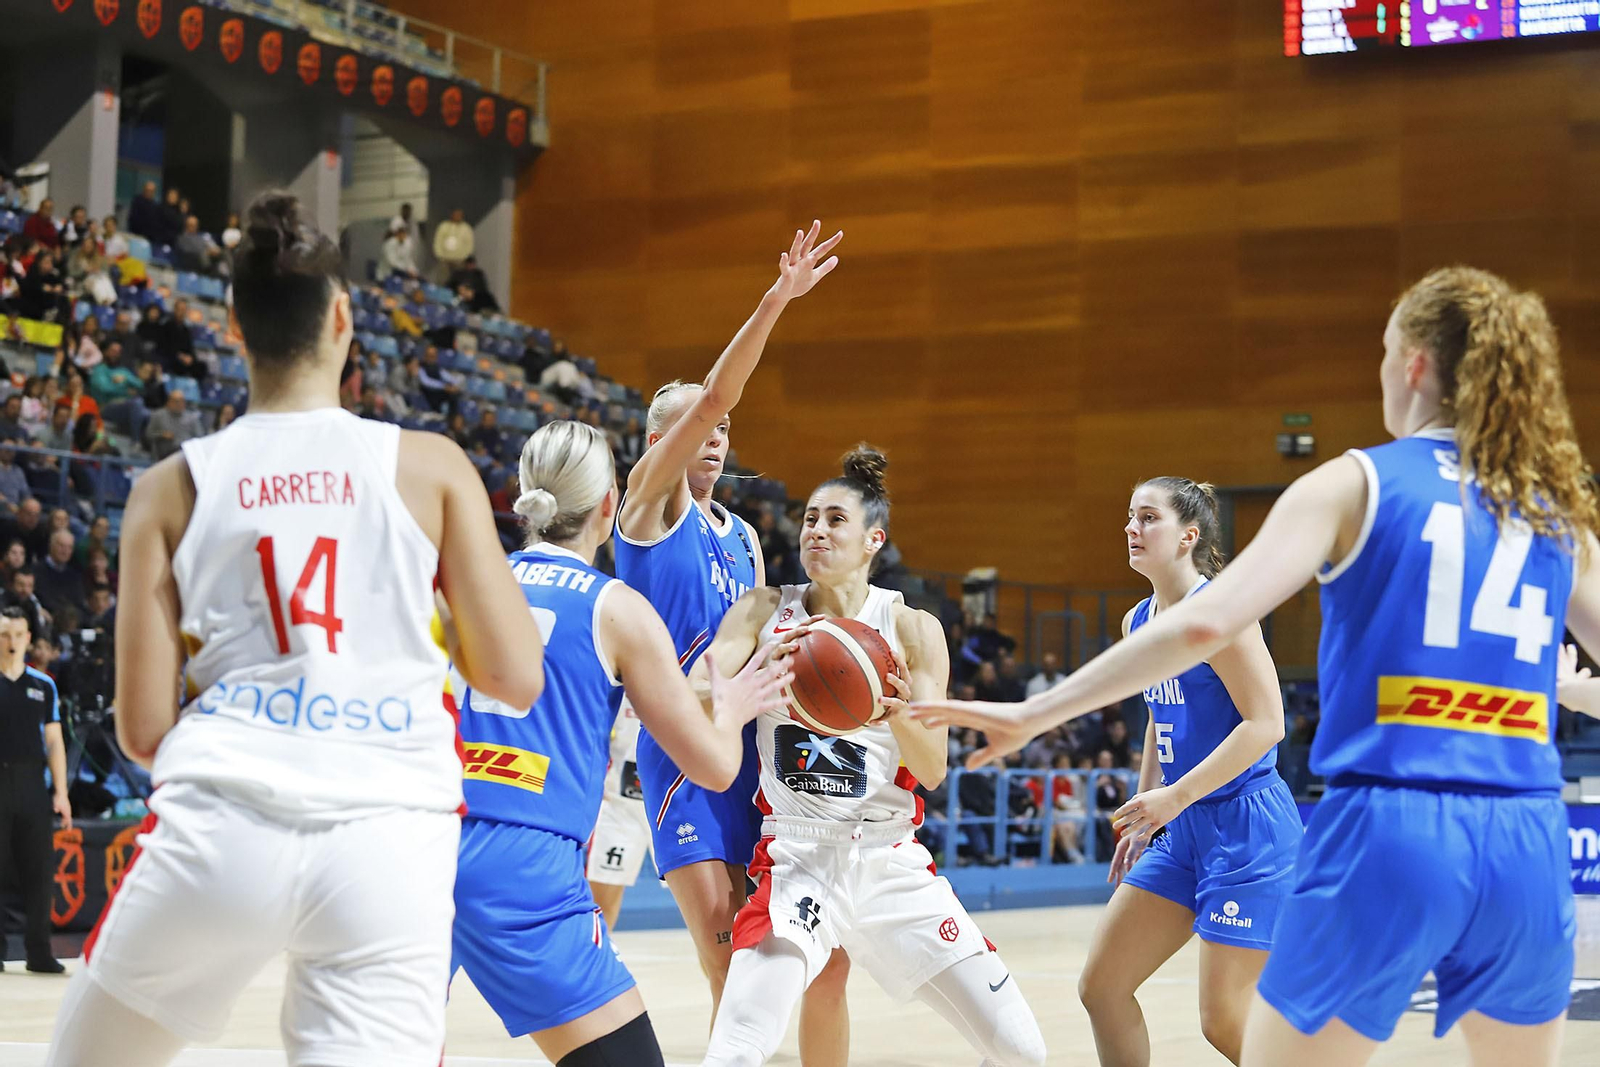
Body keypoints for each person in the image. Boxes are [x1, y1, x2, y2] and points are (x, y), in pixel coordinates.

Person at [912, 266, 1600, 1067]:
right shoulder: (1551, 509)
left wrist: (1035, 713)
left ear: (1413, 363)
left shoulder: (1357, 481)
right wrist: (1569, 689)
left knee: (1245, 1033)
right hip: (1526, 834)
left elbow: (1207, 622)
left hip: (1393, 822)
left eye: (1383, 352)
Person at [42, 189, 548, 1067]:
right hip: (390, 832)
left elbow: (144, 730)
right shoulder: (431, 467)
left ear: (234, 326)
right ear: (344, 318)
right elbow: (515, 676)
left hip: (223, 823)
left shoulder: (168, 486)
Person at [450, 420, 791, 1066]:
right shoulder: (617, 606)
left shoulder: (463, 581)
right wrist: (736, 705)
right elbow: (717, 767)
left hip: (421, 841)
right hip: (526, 860)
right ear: (609, 504)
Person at [692, 446, 1046, 1067]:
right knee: (737, 1051)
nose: (816, 531)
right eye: (809, 518)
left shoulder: (911, 627)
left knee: (1023, 1052)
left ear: (873, 540)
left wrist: (896, 712)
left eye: (835, 520)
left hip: (890, 859)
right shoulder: (764, 611)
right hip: (797, 857)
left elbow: (932, 769)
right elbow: (693, 697)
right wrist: (755, 676)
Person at [612, 221, 848, 1063]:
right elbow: (716, 395)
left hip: (752, 752)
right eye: (696, 428)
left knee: (767, 960)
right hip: (683, 750)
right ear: (659, 443)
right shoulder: (648, 505)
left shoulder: (744, 536)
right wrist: (776, 299)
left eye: (719, 430)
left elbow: (763, 643)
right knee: (724, 957)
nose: (713, 436)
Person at [1052, 477, 1299, 1065]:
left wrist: (1175, 796)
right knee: (1102, 988)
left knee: (1224, 1021)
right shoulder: (1137, 620)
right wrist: (1145, 812)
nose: (1131, 528)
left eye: (1147, 517)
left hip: (1245, 826)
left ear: (1188, 536)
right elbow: (1157, 715)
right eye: (1129, 516)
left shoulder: (1224, 615)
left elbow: (1267, 724)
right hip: (1181, 825)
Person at [0, 606, 69, 974]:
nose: (11, 642)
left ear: (28, 638)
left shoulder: (44, 686)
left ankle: (39, 952)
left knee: (39, 871)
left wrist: (61, 792)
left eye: (17, 634)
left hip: (32, 783)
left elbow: (54, 741)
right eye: (4, 634)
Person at [144, 390, 203, 460]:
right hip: (165, 453)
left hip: (186, 454)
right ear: (169, 402)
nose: (179, 404)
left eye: (182, 401)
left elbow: (200, 437)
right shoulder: (158, 416)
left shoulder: (192, 418)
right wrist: (162, 434)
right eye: (176, 401)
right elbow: (148, 435)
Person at [432, 208, 473, 281]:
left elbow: (469, 244)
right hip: (444, 259)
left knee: (459, 280)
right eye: (455, 215)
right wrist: (439, 255)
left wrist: (464, 257)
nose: (457, 216)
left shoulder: (466, 228)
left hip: (459, 260)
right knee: (443, 280)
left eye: (459, 215)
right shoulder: (443, 226)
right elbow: (438, 241)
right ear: (452, 215)